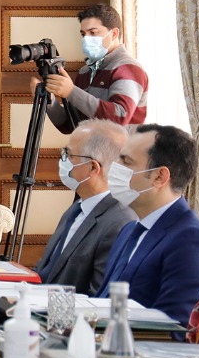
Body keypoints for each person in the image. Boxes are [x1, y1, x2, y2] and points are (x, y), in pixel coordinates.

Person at [94, 124, 199, 322]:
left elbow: (174, 326)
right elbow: (104, 300)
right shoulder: (129, 230)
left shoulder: (192, 240)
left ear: (159, 177)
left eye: (126, 161)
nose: (115, 167)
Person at [33, 120, 132, 295]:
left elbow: (97, 298)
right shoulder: (77, 208)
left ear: (93, 167)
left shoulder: (119, 222)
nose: (62, 160)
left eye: (68, 154)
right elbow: (45, 271)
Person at [39, 3, 148, 135]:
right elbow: (71, 125)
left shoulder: (129, 69)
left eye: (93, 33)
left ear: (114, 34)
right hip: (89, 148)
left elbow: (119, 117)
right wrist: (49, 101)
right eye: (83, 34)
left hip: (123, 148)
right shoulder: (85, 72)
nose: (86, 39)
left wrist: (71, 92)